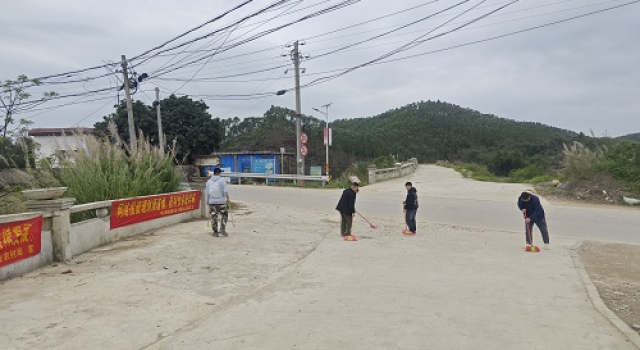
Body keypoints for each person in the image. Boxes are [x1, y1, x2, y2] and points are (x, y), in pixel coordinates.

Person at [206, 167, 230, 237]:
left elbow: (207, 193)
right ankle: (222, 230)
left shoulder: (208, 181)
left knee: (214, 216)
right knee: (224, 215)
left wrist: (207, 201)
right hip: (221, 201)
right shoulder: (222, 180)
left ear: (214, 173)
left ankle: (215, 232)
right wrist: (228, 198)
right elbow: (225, 191)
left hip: (212, 202)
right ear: (219, 173)